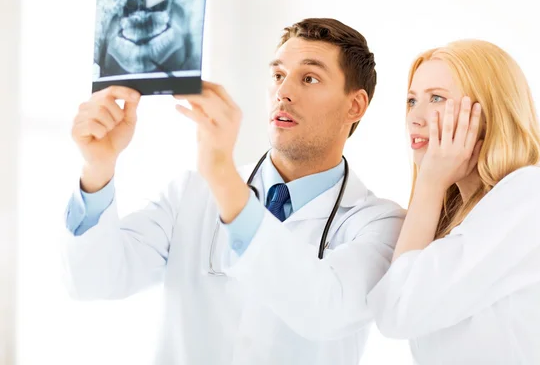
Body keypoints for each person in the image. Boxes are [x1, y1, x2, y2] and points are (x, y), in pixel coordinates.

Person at [63, 18, 406, 365]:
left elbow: (325, 309)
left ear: (355, 106)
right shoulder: (191, 193)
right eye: (277, 76)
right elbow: (92, 280)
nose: (284, 92)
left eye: (310, 78)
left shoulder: (381, 223)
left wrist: (223, 177)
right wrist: (97, 170)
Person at [367, 39, 540, 365]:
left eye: (436, 98)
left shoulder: (530, 192)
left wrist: (430, 184)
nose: (414, 118)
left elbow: (397, 311)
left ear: (489, 111)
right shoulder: (451, 218)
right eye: (411, 100)